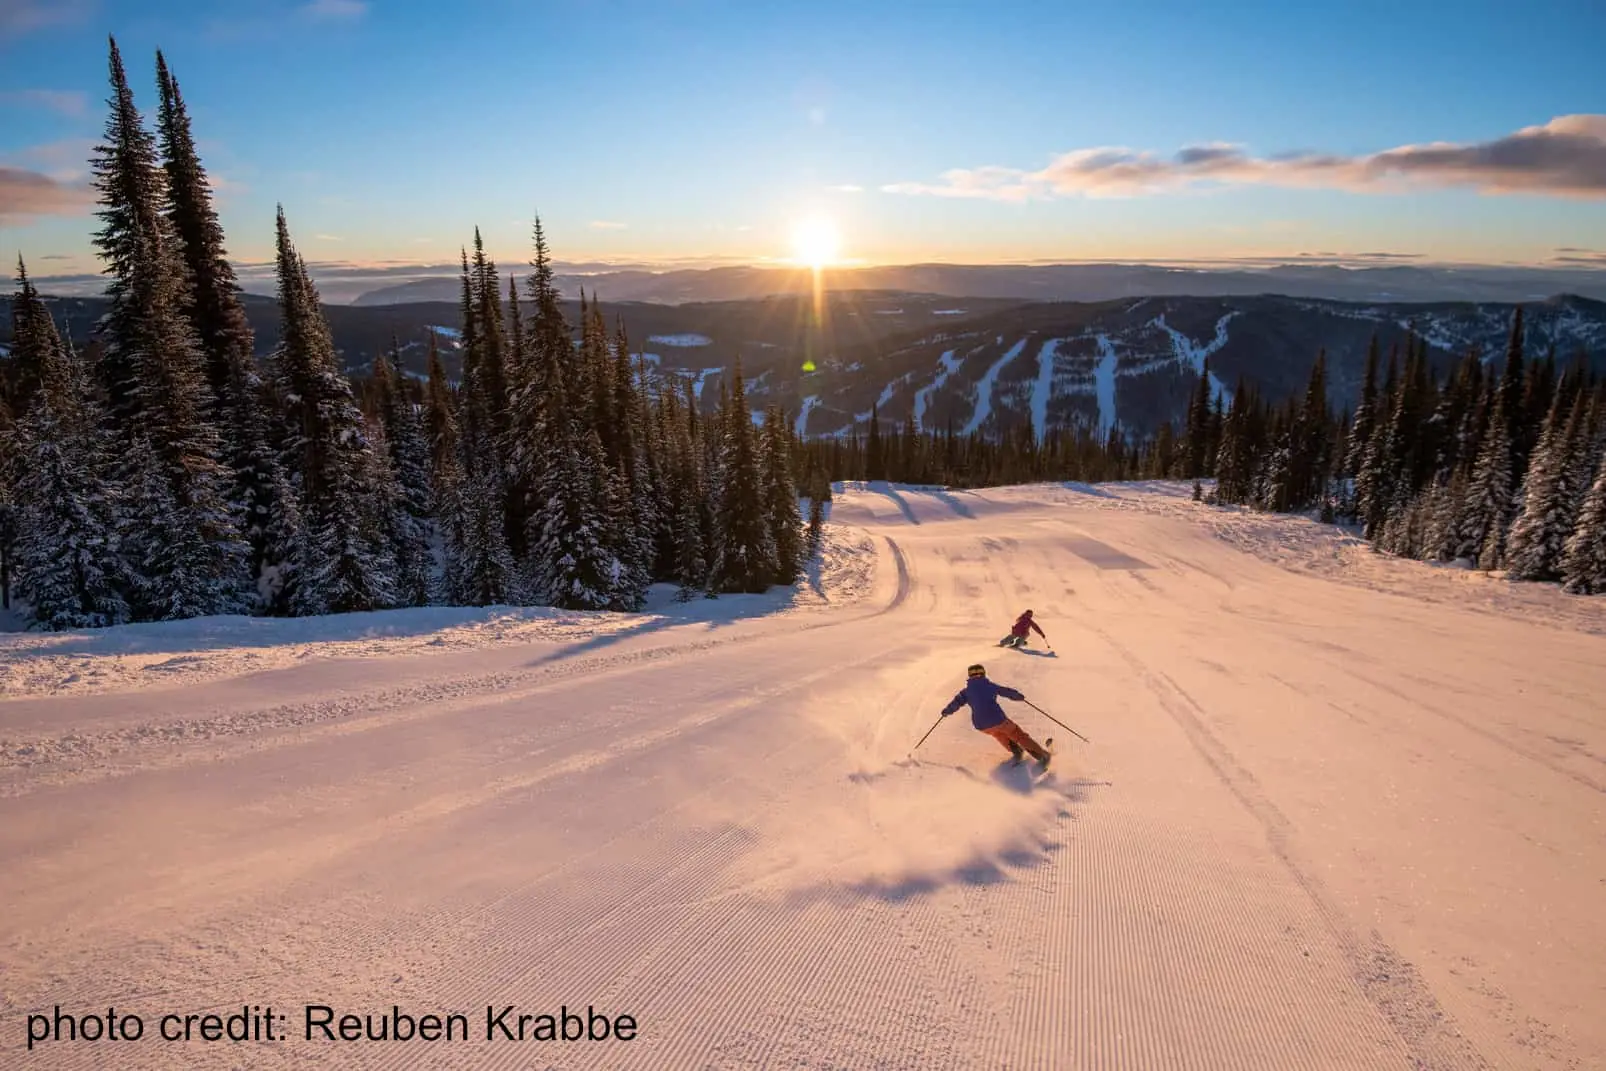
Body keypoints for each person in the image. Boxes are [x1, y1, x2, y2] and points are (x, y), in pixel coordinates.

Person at [940, 664, 1051, 766]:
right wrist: (1017, 696)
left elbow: (956, 702)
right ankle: (1041, 755)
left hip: (982, 726)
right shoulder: (989, 686)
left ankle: (1016, 751)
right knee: (1017, 734)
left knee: (998, 734)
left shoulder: (966, 691)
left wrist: (946, 711)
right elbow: (1005, 691)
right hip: (998, 719)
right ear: (983, 674)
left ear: (970, 676)